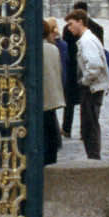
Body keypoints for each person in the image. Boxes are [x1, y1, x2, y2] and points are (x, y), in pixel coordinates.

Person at [66, 8, 108, 160]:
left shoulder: (86, 41)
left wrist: (84, 81)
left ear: (80, 22)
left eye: (71, 24)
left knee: (89, 126)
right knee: (89, 124)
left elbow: (95, 66)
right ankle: (93, 156)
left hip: (91, 88)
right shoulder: (87, 39)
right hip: (93, 87)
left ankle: (94, 157)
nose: (69, 28)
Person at [60, 0, 104, 138]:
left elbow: (66, 48)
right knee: (88, 103)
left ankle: (66, 128)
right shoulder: (98, 28)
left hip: (74, 68)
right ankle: (85, 131)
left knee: (69, 101)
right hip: (86, 68)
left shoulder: (68, 28)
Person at [41, 18, 66, 164]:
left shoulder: (32, 50)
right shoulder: (53, 48)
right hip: (52, 96)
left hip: (39, 98)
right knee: (51, 130)